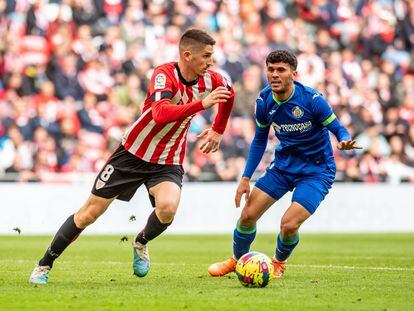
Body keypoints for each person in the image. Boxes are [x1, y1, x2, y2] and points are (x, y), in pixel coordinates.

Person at [29, 28, 234, 284]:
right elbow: (160, 113)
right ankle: (44, 265)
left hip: (167, 159)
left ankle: (141, 241)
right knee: (88, 214)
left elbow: (229, 93)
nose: (211, 61)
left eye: (212, 56)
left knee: (168, 209)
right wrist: (202, 105)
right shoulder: (164, 74)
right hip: (132, 154)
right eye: (206, 56)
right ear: (187, 55)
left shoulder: (212, 79)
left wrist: (218, 129)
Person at [208, 50, 361, 278]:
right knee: (248, 215)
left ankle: (279, 262)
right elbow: (259, 140)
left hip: (316, 172)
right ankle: (237, 260)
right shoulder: (264, 101)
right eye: (270, 69)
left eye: (281, 70)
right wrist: (245, 178)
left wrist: (344, 140)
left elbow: (338, 128)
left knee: (288, 225)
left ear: (294, 74)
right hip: (283, 167)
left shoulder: (312, 100)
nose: (274, 75)